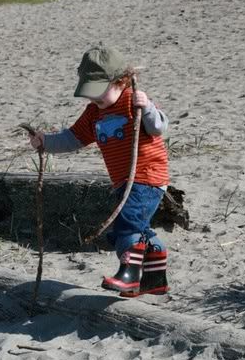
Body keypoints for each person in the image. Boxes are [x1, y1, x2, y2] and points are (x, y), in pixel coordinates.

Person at [29, 44, 170, 296]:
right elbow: (73, 138)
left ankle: (129, 275)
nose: (94, 99)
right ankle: (155, 277)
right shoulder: (94, 113)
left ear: (121, 81)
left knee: (126, 227)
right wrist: (46, 142)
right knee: (138, 226)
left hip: (146, 176)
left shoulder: (132, 100)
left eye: (99, 93)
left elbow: (158, 127)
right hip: (122, 181)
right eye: (90, 94)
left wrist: (147, 106)